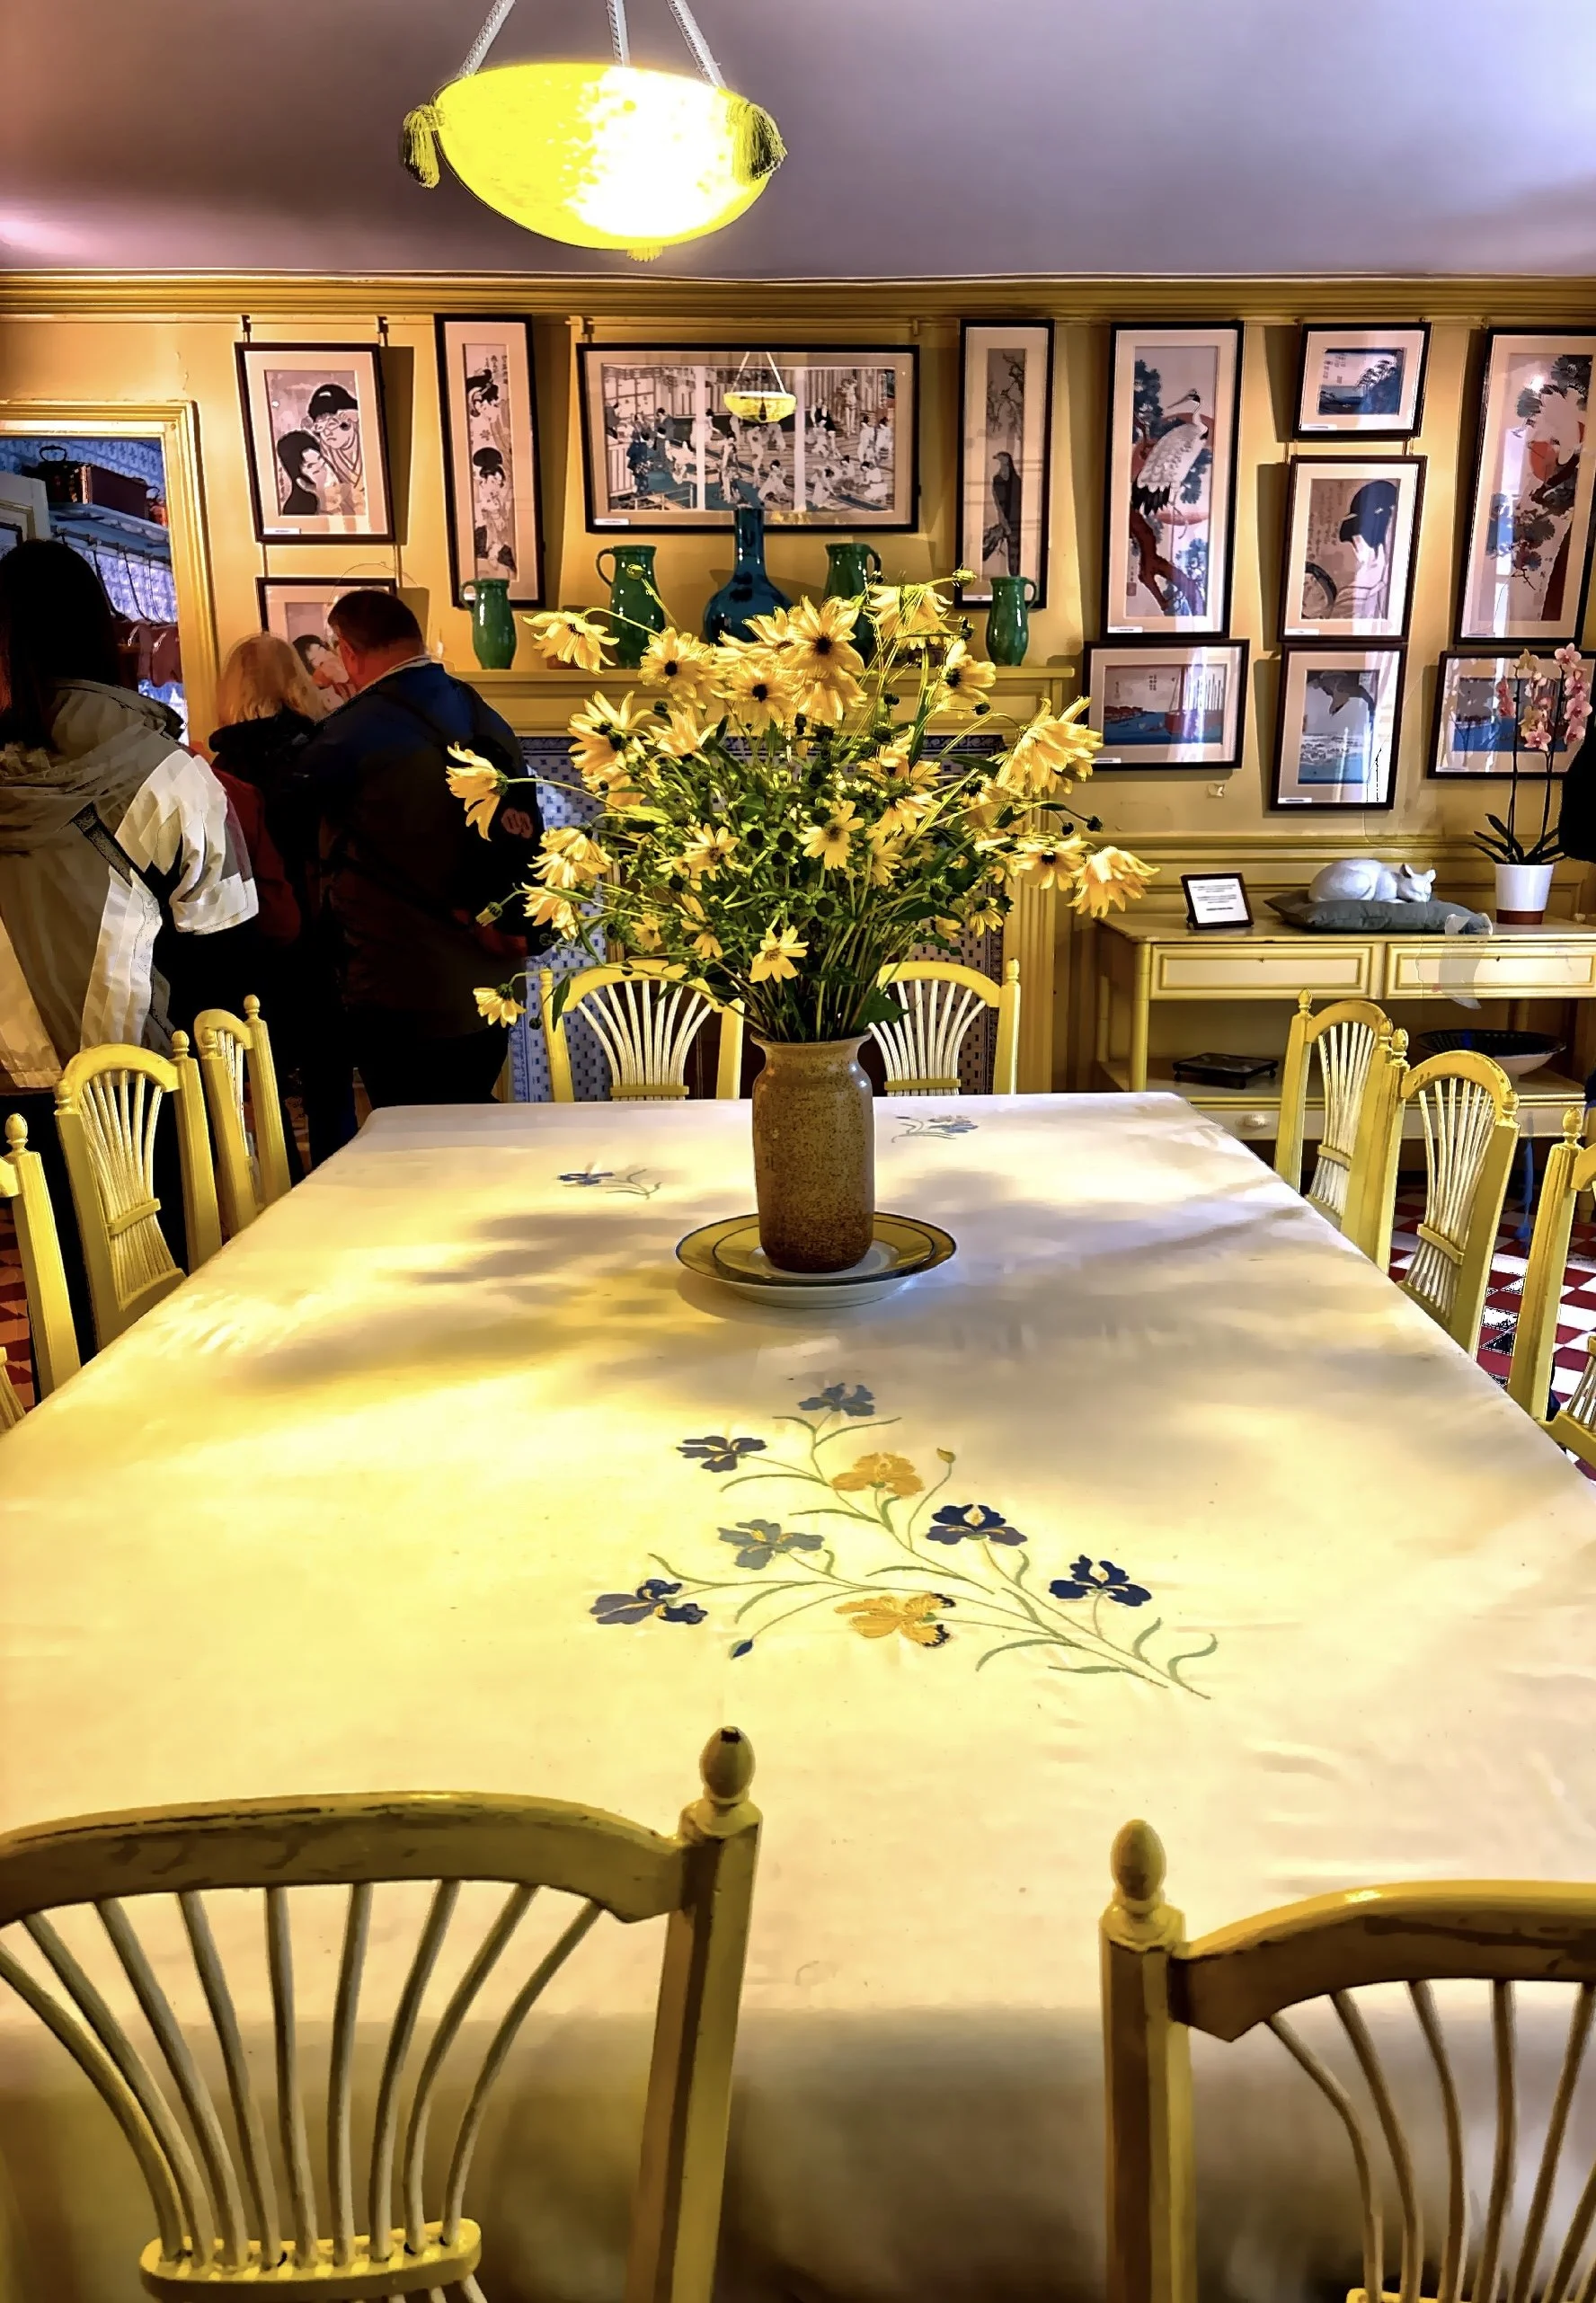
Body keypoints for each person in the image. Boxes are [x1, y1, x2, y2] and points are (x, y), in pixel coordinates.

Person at [0, 539, 259, 1348]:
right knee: (176, 1309)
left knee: (53, 1302)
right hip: (143, 1086)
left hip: (11, 1090)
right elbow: (228, 960)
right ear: (103, 629)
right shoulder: (168, 773)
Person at [297, 589, 544, 1109]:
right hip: (491, 985)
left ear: (346, 651)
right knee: (467, 1121)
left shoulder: (350, 734)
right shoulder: (483, 715)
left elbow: (296, 822)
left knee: (411, 1147)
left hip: (401, 989)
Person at [208, 633, 356, 1166]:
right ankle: (342, 1184)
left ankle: (282, 1191)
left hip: (251, 939)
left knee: (262, 1085)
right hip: (325, 934)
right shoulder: (323, 756)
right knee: (330, 1081)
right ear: (296, 681)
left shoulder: (218, 771)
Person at [275, 430, 330, 516]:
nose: (324, 470)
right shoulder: (296, 510)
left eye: (321, 460)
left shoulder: (340, 491)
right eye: (311, 466)